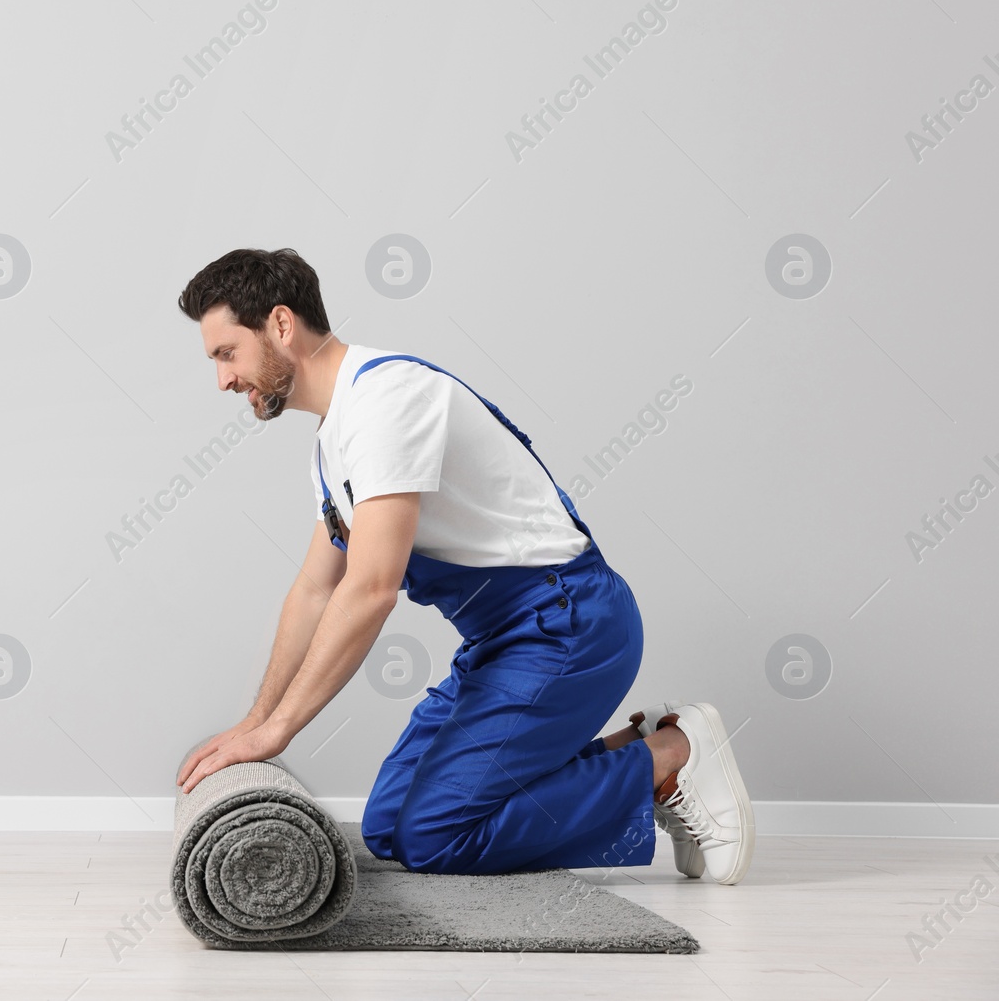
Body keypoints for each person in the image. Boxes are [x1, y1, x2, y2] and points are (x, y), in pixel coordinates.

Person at [173, 247, 755, 885]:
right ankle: (636, 753)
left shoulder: (383, 402)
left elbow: (369, 590)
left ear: (281, 325)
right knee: (390, 824)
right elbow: (315, 590)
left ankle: (673, 755)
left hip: (570, 626)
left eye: (226, 353)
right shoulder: (333, 440)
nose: (223, 381)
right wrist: (253, 723)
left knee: (436, 834)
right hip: (504, 643)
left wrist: (279, 731)